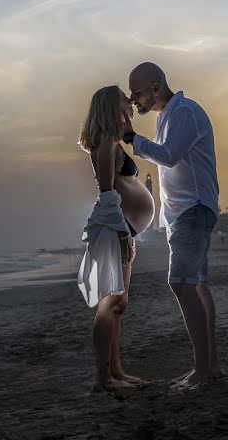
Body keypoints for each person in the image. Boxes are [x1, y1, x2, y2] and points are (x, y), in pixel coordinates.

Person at [122, 62, 221, 388]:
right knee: (197, 285)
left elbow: (168, 156)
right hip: (183, 213)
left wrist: (131, 138)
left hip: (193, 209)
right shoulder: (167, 117)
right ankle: (210, 367)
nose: (134, 101)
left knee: (180, 283)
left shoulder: (185, 112)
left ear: (155, 87)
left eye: (136, 93)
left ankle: (203, 370)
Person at [77, 85, 155, 392]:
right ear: (112, 105)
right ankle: (103, 378)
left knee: (118, 303)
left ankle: (117, 371)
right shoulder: (106, 143)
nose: (131, 100)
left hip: (121, 229)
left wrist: (129, 235)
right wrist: (124, 236)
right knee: (108, 304)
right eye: (125, 97)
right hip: (113, 229)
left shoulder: (113, 141)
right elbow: (108, 196)